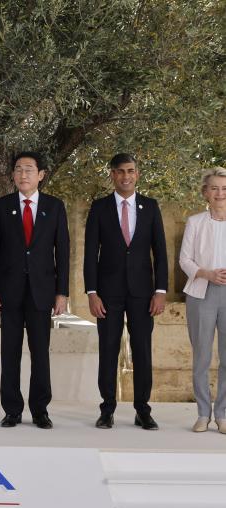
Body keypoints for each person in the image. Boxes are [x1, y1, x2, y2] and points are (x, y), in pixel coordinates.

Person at [84, 153, 168, 430]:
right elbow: (89, 254)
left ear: (137, 173)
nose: (125, 176)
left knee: (142, 350)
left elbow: (161, 253)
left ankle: (143, 410)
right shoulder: (99, 207)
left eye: (130, 171)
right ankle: (107, 409)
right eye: (120, 171)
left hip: (144, 293)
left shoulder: (150, 207)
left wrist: (161, 290)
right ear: (112, 174)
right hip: (107, 293)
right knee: (108, 350)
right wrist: (92, 292)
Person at [0, 151, 69, 429]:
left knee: (40, 353)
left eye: (29, 170)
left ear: (41, 175)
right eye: (19, 169)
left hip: (42, 292)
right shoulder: (1, 206)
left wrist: (62, 292)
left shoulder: (55, 207)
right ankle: (11, 410)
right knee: (9, 352)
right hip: (8, 292)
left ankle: (40, 410)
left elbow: (64, 252)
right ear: (13, 174)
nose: (23, 175)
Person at [179, 167, 226, 434]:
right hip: (201, 293)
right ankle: (202, 413)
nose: (220, 193)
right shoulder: (195, 222)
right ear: (205, 193)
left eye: (224, 188)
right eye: (215, 188)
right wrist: (207, 273)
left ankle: (222, 414)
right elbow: (184, 259)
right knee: (202, 357)